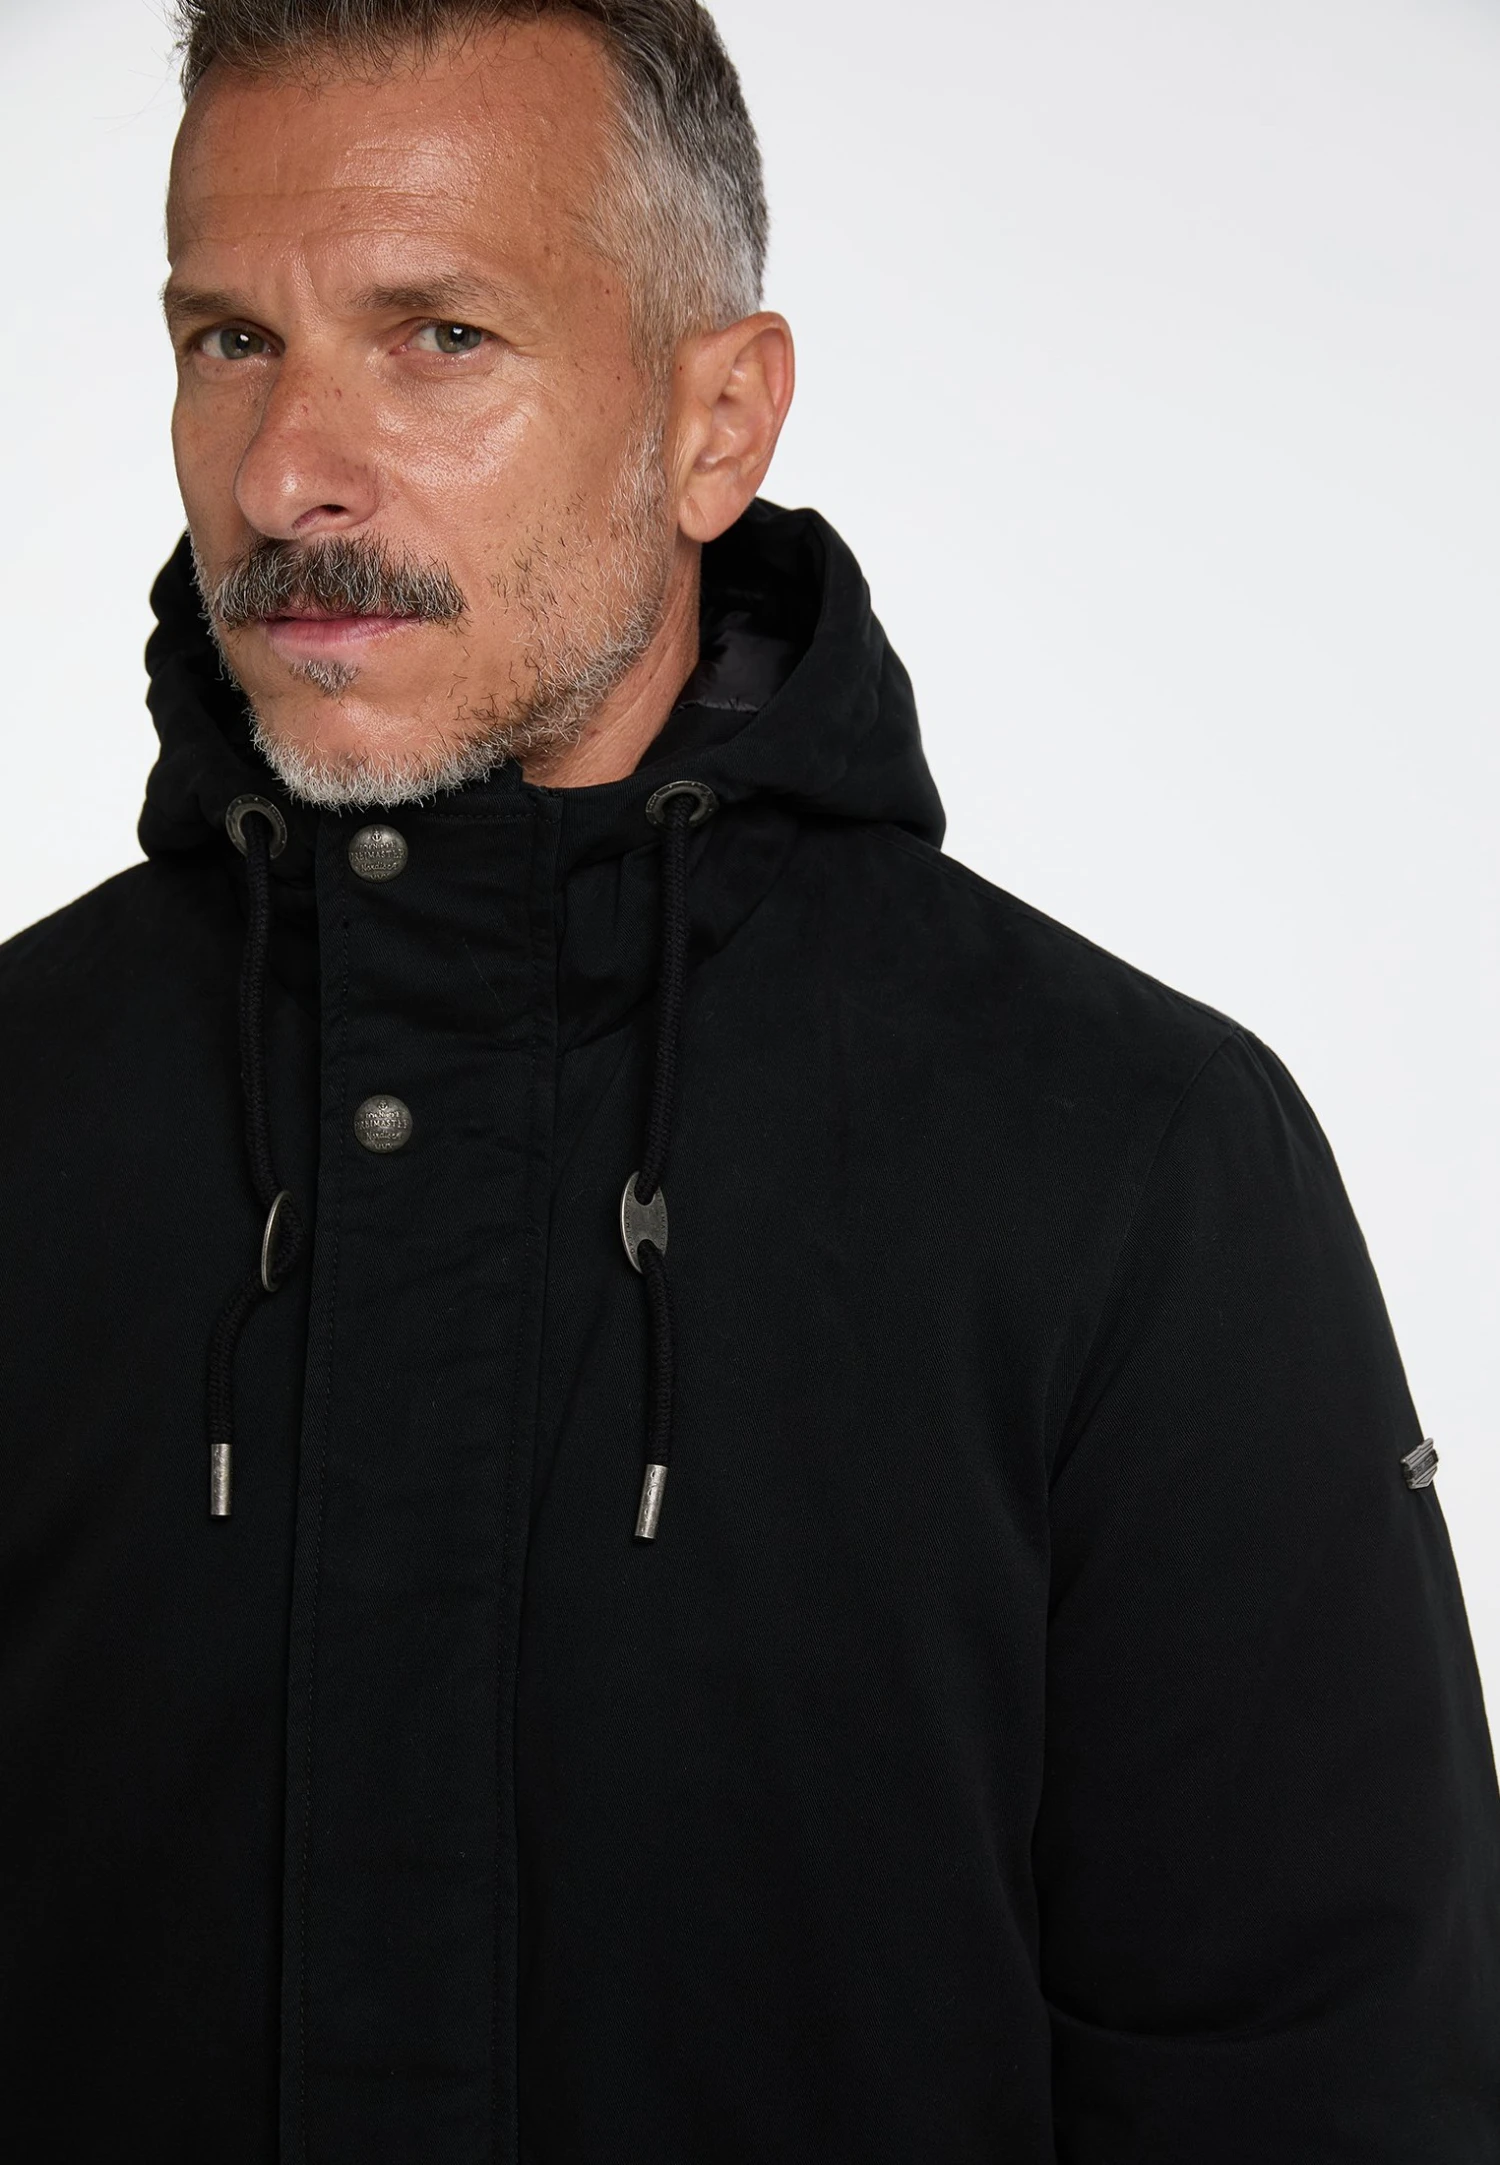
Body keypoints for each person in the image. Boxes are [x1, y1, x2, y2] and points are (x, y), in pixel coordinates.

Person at [1, 1, 1495, 2158]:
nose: (285, 473)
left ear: (717, 424)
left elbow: (1323, 2082)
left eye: (438, 338)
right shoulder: (26, 1118)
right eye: (231, 339)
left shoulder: (1131, 1162)